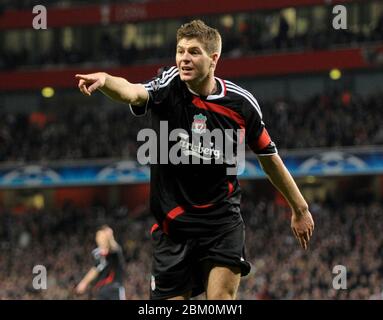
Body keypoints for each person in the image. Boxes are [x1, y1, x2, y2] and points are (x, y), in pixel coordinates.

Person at [75, 20, 314, 300]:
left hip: (221, 223)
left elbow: (269, 158)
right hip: (172, 228)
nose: (184, 59)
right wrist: (105, 80)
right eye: (180, 51)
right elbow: (133, 90)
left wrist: (300, 208)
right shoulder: (168, 87)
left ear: (214, 59)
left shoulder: (240, 104)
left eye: (194, 52)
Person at [75, 225, 126, 300]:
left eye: (102, 236)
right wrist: (84, 282)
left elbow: (113, 247)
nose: (100, 239)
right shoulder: (97, 253)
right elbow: (96, 268)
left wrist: (110, 237)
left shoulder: (114, 251)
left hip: (115, 288)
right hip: (101, 289)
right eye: (98, 236)